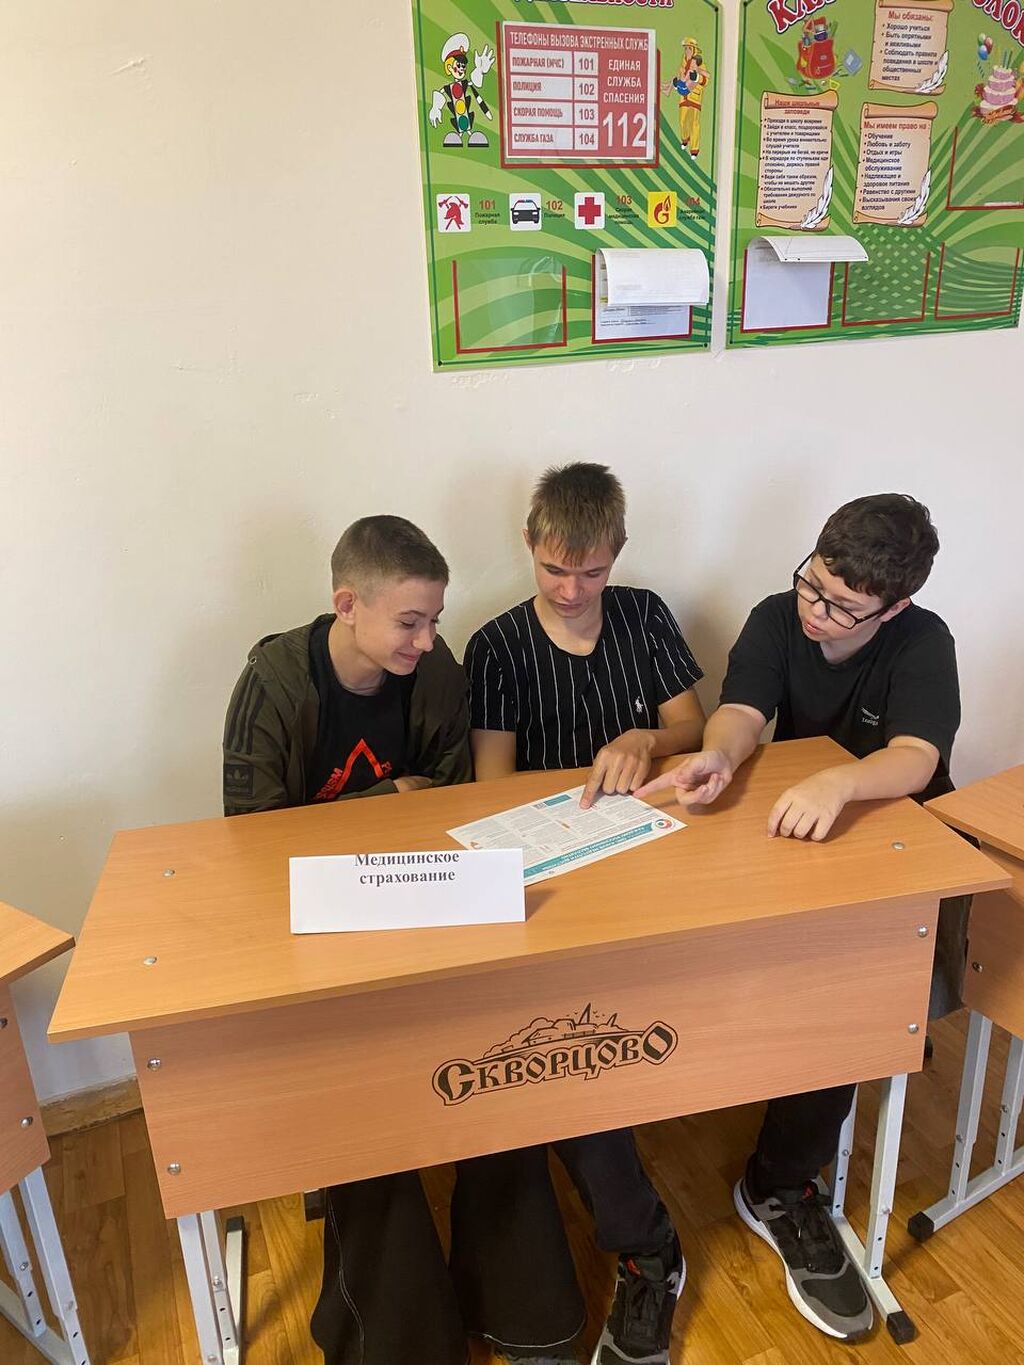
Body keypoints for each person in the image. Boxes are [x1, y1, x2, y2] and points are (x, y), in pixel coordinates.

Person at [223, 516, 585, 1365]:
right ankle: (404, 1340)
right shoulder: (275, 682)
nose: (426, 641)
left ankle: (523, 1315)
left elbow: (452, 810)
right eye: (409, 622)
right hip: (312, 930)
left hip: (422, 905)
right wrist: (384, 801)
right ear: (348, 604)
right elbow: (250, 840)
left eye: (433, 621)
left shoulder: (435, 672)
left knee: (497, 1076)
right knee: (369, 1116)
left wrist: (369, 819)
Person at [638, 492, 962, 1344]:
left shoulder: (923, 642)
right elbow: (744, 708)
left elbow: (916, 756)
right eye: (812, 584)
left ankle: (781, 1182)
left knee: (848, 994)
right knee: (764, 965)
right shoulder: (777, 616)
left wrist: (840, 779)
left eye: (842, 605)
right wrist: (718, 753)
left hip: (890, 837)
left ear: (893, 607)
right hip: (802, 833)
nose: (817, 611)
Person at [465, 462, 705, 1365]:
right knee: (571, 1042)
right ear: (529, 545)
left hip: (649, 858)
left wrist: (646, 736)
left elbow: (694, 726)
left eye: (592, 571)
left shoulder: (643, 616)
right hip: (555, 870)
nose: (572, 590)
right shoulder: (496, 645)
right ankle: (642, 1242)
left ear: (618, 554)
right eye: (556, 569)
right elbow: (492, 787)